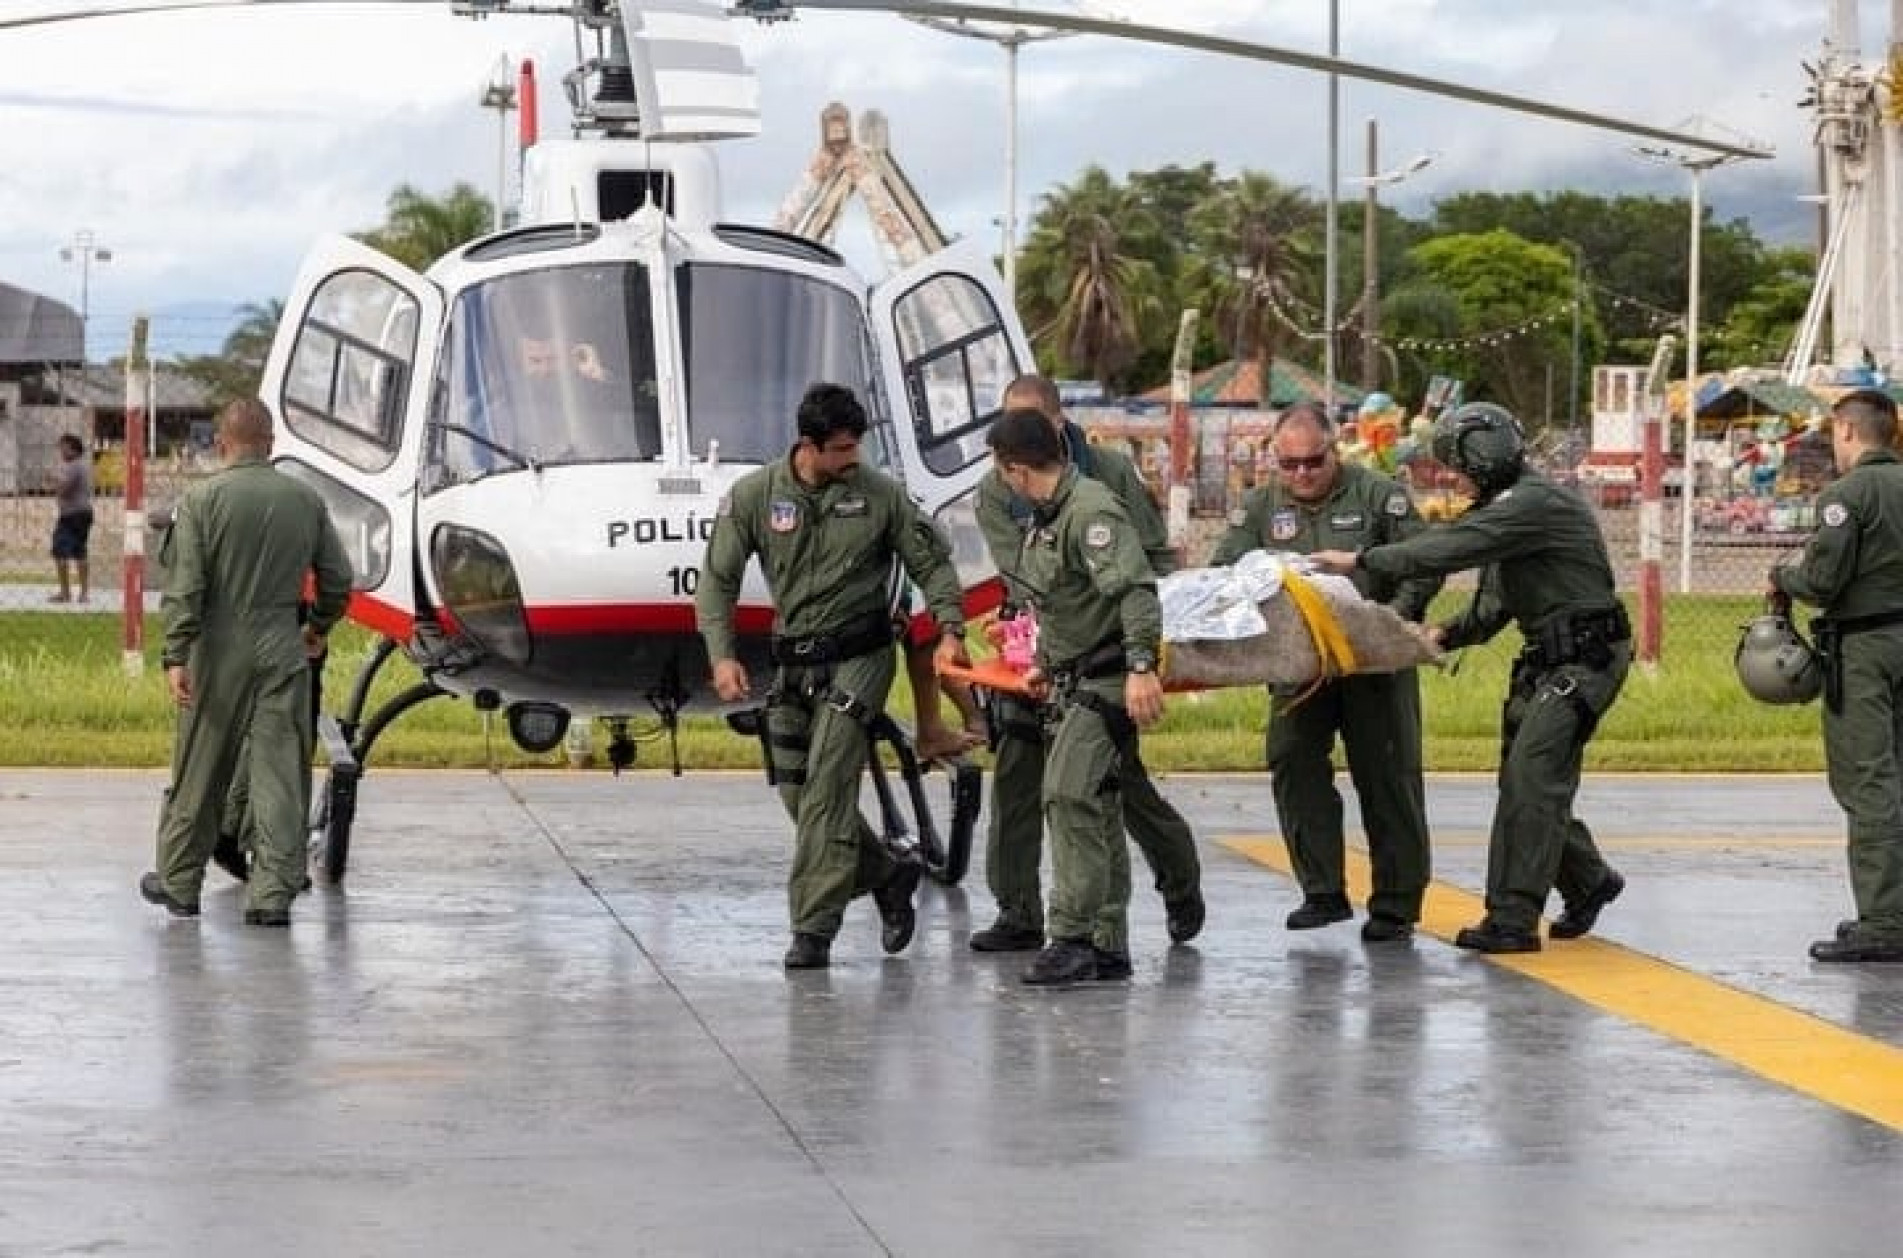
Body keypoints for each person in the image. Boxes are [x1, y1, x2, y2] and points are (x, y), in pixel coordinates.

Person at [1311, 401, 1629, 954]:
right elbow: (1495, 601)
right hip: (1550, 659)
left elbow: (1448, 549)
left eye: (1454, 465)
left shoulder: (1529, 504)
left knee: (1532, 779)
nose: (1448, 478)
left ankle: (1512, 919)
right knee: (1527, 783)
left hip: (1585, 659)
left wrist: (1363, 560)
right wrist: (1446, 634)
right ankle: (1588, 879)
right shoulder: (1510, 510)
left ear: (1482, 456)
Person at [696, 382, 971, 970]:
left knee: (826, 788)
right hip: (792, 662)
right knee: (798, 792)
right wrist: (722, 655)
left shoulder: (882, 497)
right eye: (842, 450)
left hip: (861, 658)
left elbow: (933, 565)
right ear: (809, 446)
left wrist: (951, 629)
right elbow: (716, 579)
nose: (854, 461)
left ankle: (812, 930)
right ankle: (887, 874)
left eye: (857, 448)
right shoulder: (753, 497)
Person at [967, 374, 1203, 955]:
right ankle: (1019, 911)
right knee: (1024, 783)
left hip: (1103, 655)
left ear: (1057, 425)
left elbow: (1146, 567)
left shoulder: (1106, 478)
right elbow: (1021, 576)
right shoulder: (998, 489)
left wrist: (1139, 656)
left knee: (1111, 788)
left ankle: (1168, 889)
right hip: (1037, 648)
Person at [1208, 402, 1439, 942]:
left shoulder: (1380, 494)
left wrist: (1395, 621)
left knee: (1387, 775)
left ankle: (1396, 904)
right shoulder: (1261, 507)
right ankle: (1322, 890)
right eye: (1289, 466)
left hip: (1372, 659)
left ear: (1334, 450)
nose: (1303, 475)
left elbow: (1423, 560)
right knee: (1290, 758)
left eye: (1313, 461)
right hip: (1298, 663)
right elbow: (1225, 572)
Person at [140, 398, 353, 927]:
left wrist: (175, 653)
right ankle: (273, 894)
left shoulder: (202, 499)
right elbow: (339, 577)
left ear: (221, 444)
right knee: (280, 771)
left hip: (216, 648)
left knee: (200, 767)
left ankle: (180, 882)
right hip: (283, 643)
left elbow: (185, 586)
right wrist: (317, 628)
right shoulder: (304, 500)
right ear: (271, 443)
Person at [1770, 387, 1903, 963]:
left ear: (1847, 431)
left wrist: (1783, 575)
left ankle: (1885, 921)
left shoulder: (1847, 496)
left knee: (1868, 781)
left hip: (1866, 650)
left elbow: (1822, 583)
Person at [49, 434, 93, 604]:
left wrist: (53, 481)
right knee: (80, 552)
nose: (61, 451)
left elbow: (64, 489)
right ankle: (83, 593)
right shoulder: (80, 466)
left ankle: (65, 592)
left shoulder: (73, 466)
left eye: (64, 447)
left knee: (60, 551)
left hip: (72, 515)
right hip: (82, 513)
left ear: (73, 449)